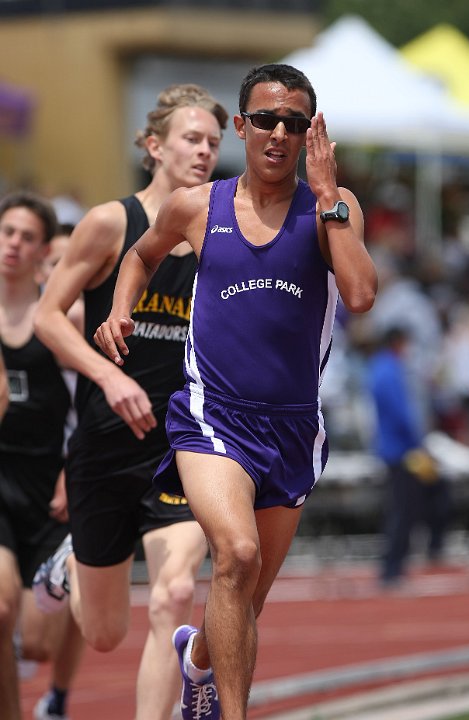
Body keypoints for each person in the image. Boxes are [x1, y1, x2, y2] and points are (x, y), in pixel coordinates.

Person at [94, 63, 378, 720]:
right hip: (210, 417)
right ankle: (227, 712)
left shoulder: (331, 209)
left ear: (311, 132)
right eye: (267, 119)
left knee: (243, 599)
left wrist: (329, 194)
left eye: (295, 122)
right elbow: (140, 254)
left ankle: (196, 663)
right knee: (236, 552)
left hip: (292, 430)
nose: (279, 132)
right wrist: (119, 309)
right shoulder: (199, 206)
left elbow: (360, 296)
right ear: (239, 127)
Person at [32, 84, 228, 720]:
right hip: (105, 441)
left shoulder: (216, 233)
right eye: (191, 139)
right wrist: (109, 377)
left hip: (183, 441)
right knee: (105, 633)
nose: (204, 151)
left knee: (173, 596)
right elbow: (48, 317)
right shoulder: (111, 223)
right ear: (154, 147)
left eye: (213, 143)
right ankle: (68, 567)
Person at [0, 191, 85, 720]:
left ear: (43, 250)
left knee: (36, 644)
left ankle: (54, 690)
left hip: (49, 487)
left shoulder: (63, 317)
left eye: (27, 237)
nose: (13, 244)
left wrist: (74, 471)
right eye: (7, 232)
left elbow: (95, 401)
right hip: (0, 483)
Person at [367, 325, 452, 586]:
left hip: (398, 450)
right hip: (404, 452)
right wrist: (420, 443)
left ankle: (409, 559)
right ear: (399, 342)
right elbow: (402, 414)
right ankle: (393, 569)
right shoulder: (390, 371)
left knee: (428, 496)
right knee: (405, 510)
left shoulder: (380, 368)